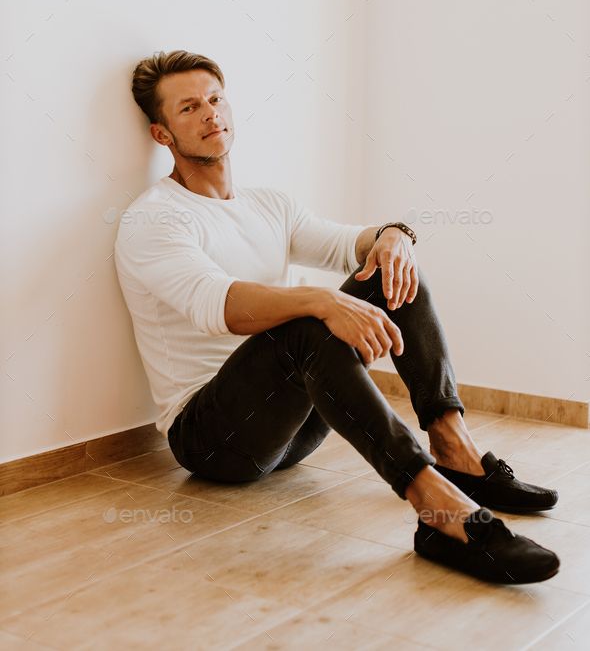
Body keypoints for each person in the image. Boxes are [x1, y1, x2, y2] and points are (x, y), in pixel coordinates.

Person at [114, 49, 560, 585]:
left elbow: (350, 243)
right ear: (163, 134)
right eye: (189, 108)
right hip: (214, 441)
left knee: (390, 274)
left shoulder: (268, 203)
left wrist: (395, 237)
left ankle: (456, 451)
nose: (210, 114)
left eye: (215, 99)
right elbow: (221, 306)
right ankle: (438, 511)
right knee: (306, 323)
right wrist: (322, 302)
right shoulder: (153, 219)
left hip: (292, 431)